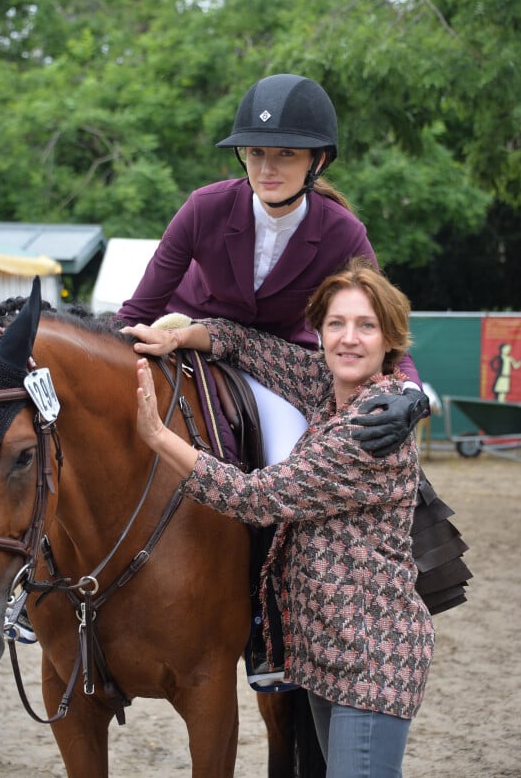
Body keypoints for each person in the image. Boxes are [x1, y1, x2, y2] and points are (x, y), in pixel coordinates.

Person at [130, 257, 435, 778]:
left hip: (369, 660)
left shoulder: (371, 427)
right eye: (336, 324)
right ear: (318, 333)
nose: (349, 338)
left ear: (390, 342)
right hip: (328, 654)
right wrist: (180, 336)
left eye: (366, 326)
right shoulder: (330, 386)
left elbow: (255, 498)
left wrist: (161, 439)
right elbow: (248, 345)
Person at [115, 73, 429, 462]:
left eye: (285, 154)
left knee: (286, 460)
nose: (267, 169)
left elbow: (387, 330)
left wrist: (414, 396)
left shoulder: (342, 232)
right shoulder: (203, 207)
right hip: (182, 344)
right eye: (256, 153)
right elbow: (138, 310)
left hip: (271, 370)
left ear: (318, 160)